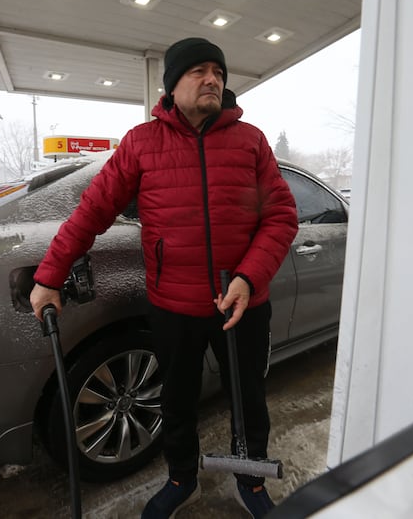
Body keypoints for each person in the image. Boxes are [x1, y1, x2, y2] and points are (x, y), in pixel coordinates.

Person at [30, 37, 298, 519]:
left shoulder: (250, 140)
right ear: (171, 86)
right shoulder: (141, 143)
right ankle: (182, 479)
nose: (212, 78)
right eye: (198, 70)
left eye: (218, 70)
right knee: (175, 401)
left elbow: (281, 217)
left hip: (241, 304)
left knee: (249, 399)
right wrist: (50, 275)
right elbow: (91, 212)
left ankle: (250, 479)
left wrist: (248, 279)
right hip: (173, 306)